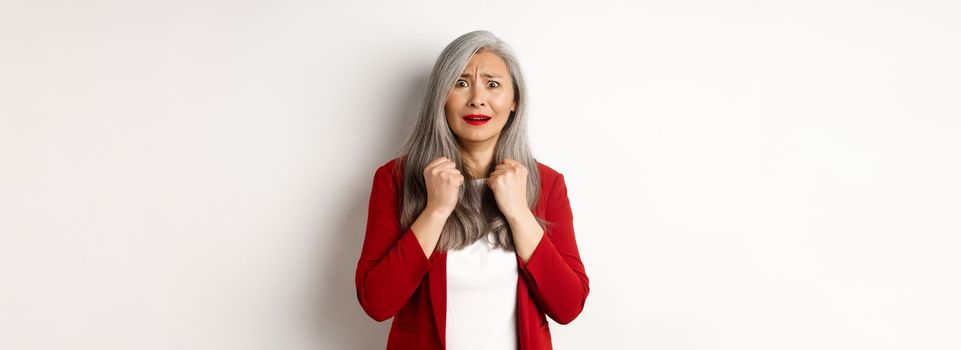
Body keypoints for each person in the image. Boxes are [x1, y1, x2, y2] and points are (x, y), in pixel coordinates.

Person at [355, 30, 589, 350]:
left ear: (514, 100)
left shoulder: (546, 183)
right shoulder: (395, 179)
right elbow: (377, 303)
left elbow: (568, 306)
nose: (477, 98)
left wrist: (519, 212)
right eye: (461, 83)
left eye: (492, 84)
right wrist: (435, 211)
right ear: (441, 97)